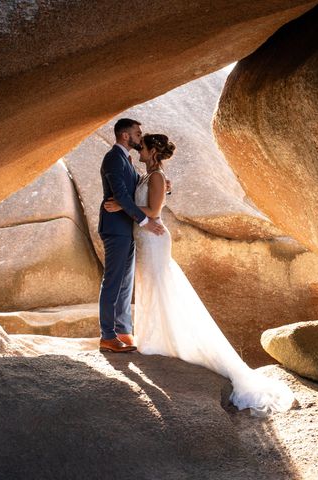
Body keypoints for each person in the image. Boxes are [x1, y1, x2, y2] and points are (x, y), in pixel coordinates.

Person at [104, 133, 295, 415]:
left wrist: (123, 206)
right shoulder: (149, 176)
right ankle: (154, 340)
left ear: (153, 150)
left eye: (142, 147)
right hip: (144, 240)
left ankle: (162, 343)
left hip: (154, 238)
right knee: (149, 288)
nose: (138, 150)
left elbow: (154, 211)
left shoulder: (157, 177)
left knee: (160, 287)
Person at [97, 118, 165, 353]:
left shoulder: (126, 159)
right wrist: (146, 222)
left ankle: (123, 330)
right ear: (125, 136)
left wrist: (165, 186)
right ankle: (107, 336)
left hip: (127, 228)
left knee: (125, 283)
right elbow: (122, 196)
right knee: (113, 282)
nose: (140, 137)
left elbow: (140, 188)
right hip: (115, 227)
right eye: (137, 133)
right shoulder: (113, 158)